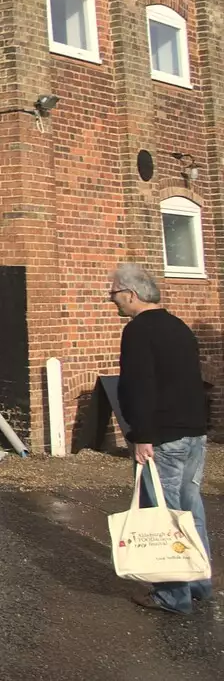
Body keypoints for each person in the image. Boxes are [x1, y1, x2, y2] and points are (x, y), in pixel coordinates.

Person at [111, 262, 212, 615]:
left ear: (131, 294)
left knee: (164, 515)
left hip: (163, 437)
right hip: (193, 432)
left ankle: (173, 594)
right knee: (190, 509)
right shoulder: (178, 326)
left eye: (115, 295)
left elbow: (140, 388)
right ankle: (199, 581)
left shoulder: (139, 331)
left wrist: (142, 436)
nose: (114, 302)